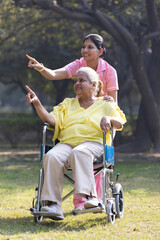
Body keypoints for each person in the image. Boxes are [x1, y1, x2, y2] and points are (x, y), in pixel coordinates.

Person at [26, 33, 119, 210]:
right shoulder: (77, 71)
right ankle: (53, 204)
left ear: (101, 51)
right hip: (77, 121)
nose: (85, 50)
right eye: (83, 46)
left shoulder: (109, 72)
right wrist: (40, 68)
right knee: (55, 155)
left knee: (84, 153)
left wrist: (108, 118)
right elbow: (53, 74)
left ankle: (89, 199)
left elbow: (115, 105)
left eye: (90, 47)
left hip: (99, 122)